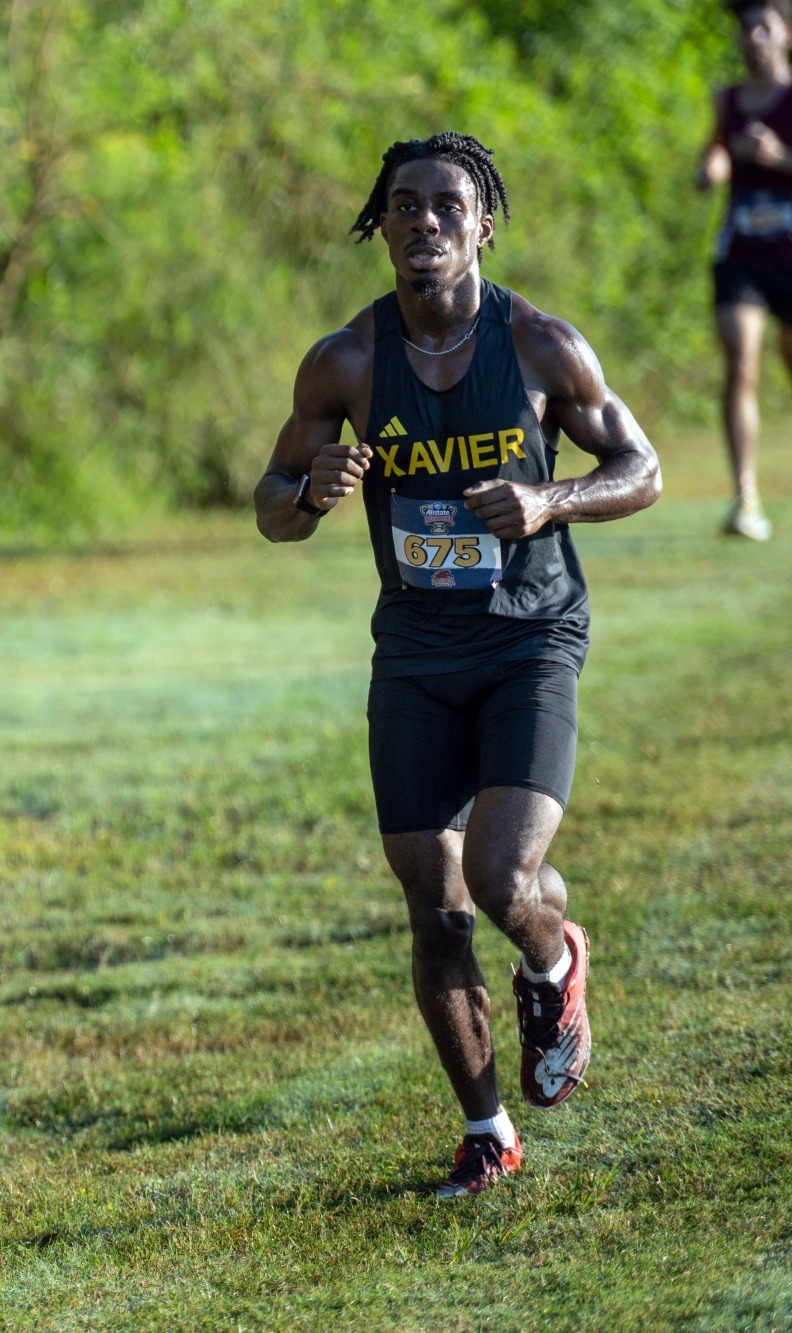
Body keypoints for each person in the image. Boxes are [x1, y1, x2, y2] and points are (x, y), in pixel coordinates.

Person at [254, 134, 660, 1198]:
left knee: (496, 879)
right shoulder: (341, 361)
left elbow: (641, 468)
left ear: (483, 225)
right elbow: (269, 508)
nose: (422, 220)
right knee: (431, 906)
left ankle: (549, 958)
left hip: (528, 636)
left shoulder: (537, 347)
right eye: (402, 205)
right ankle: (485, 1132)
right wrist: (309, 494)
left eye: (445, 204)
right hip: (415, 654)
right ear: (379, 226)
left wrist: (548, 500)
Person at [699, 0, 792, 541]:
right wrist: (711, 168)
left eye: (764, 27)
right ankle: (746, 498)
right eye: (746, 29)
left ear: (784, 35)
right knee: (742, 361)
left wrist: (777, 156)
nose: (754, 37)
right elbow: (715, 152)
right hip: (743, 255)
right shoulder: (728, 100)